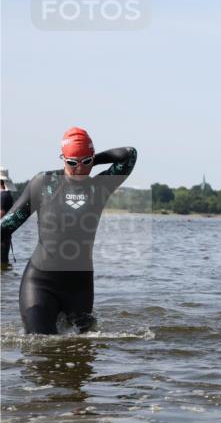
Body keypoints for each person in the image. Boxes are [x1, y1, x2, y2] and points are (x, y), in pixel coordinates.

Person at [0, 127, 137, 334]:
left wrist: (91, 158)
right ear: (63, 159)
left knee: (81, 351)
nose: (80, 169)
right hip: (40, 283)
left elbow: (129, 155)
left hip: (79, 288)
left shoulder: (100, 187)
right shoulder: (44, 183)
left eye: (86, 162)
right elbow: (8, 224)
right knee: (40, 347)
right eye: (73, 163)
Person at [1, 167, 14, 270]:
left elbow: (1, 212)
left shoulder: (3, 196)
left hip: (2, 235)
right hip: (5, 235)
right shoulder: (7, 195)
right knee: (3, 263)